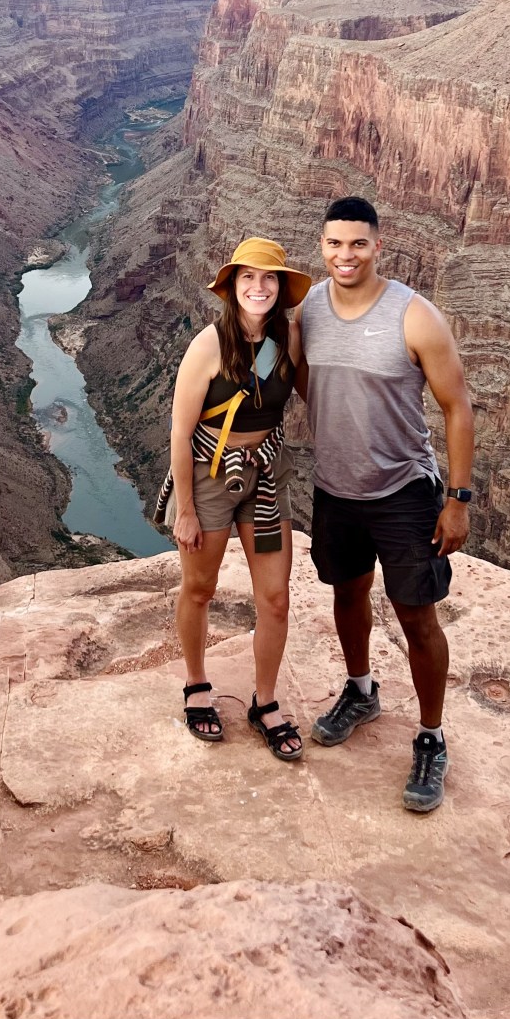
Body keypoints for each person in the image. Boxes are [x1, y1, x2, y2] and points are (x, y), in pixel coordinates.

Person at [294, 195, 474, 812]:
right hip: (335, 490)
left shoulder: (414, 316)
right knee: (346, 594)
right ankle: (361, 690)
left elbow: (457, 407)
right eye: (335, 244)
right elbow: (295, 378)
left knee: (417, 616)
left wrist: (457, 500)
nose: (346, 255)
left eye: (358, 244)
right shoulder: (309, 310)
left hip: (403, 493)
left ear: (378, 246)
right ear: (321, 246)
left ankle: (431, 736)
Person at [157, 237, 311, 762]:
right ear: (232, 286)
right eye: (248, 277)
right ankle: (197, 685)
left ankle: (264, 701)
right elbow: (180, 432)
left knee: (276, 599)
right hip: (209, 475)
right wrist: (185, 509)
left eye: (268, 278)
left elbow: (321, 394)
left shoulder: (288, 340)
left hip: (266, 472)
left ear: (281, 289)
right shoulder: (208, 345)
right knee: (199, 588)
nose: (258, 287)